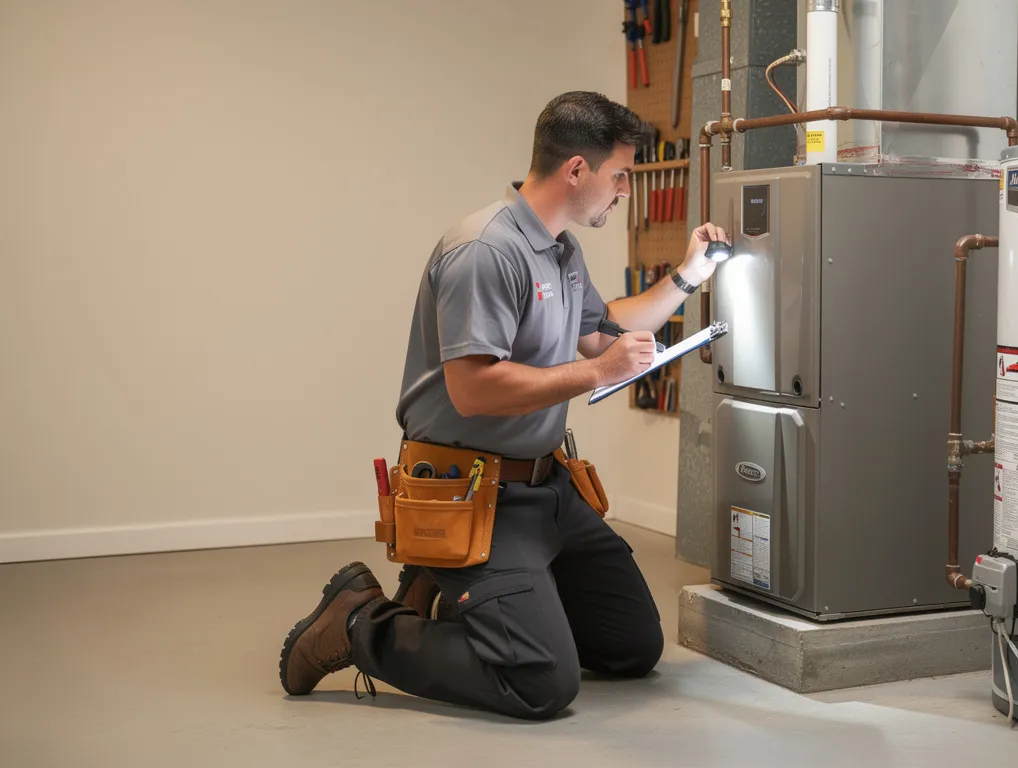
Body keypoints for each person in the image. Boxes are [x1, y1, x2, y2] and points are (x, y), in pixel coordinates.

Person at [277, 91, 728, 720]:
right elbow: (475, 387)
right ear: (577, 170)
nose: (624, 191)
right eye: (620, 175)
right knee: (541, 682)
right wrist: (597, 371)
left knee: (630, 647)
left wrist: (688, 275)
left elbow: (606, 330)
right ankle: (357, 624)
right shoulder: (485, 250)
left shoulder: (562, 249)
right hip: (471, 491)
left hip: (546, 489)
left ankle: (447, 599)